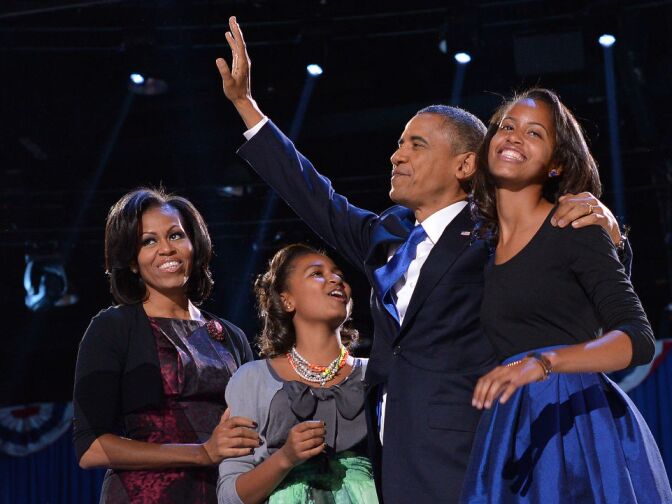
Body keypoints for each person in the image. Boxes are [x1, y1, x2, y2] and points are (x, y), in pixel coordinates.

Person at [215, 17, 625, 503]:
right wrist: (246, 105)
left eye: (416, 144)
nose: (396, 156)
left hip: (470, 451)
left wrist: (613, 237)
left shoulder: (499, 232)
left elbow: (584, 290)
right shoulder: (386, 234)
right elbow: (313, 196)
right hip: (394, 455)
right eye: (399, 143)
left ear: (465, 165)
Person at [461, 88, 672, 502]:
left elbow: (638, 338)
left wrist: (544, 362)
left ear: (557, 165)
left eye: (535, 133)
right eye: (507, 126)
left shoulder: (575, 227)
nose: (515, 136)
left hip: (576, 425)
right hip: (512, 428)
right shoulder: (480, 252)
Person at [73, 187, 259, 503]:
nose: (166, 249)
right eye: (148, 241)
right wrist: (201, 453)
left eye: (175, 236)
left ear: (194, 245)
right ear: (132, 261)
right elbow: (91, 449)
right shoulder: (113, 328)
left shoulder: (232, 335)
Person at [217, 244, 377, 503]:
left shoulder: (375, 375)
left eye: (339, 275)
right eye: (317, 273)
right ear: (286, 299)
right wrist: (286, 458)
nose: (336, 279)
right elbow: (229, 496)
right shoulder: (253, 378)